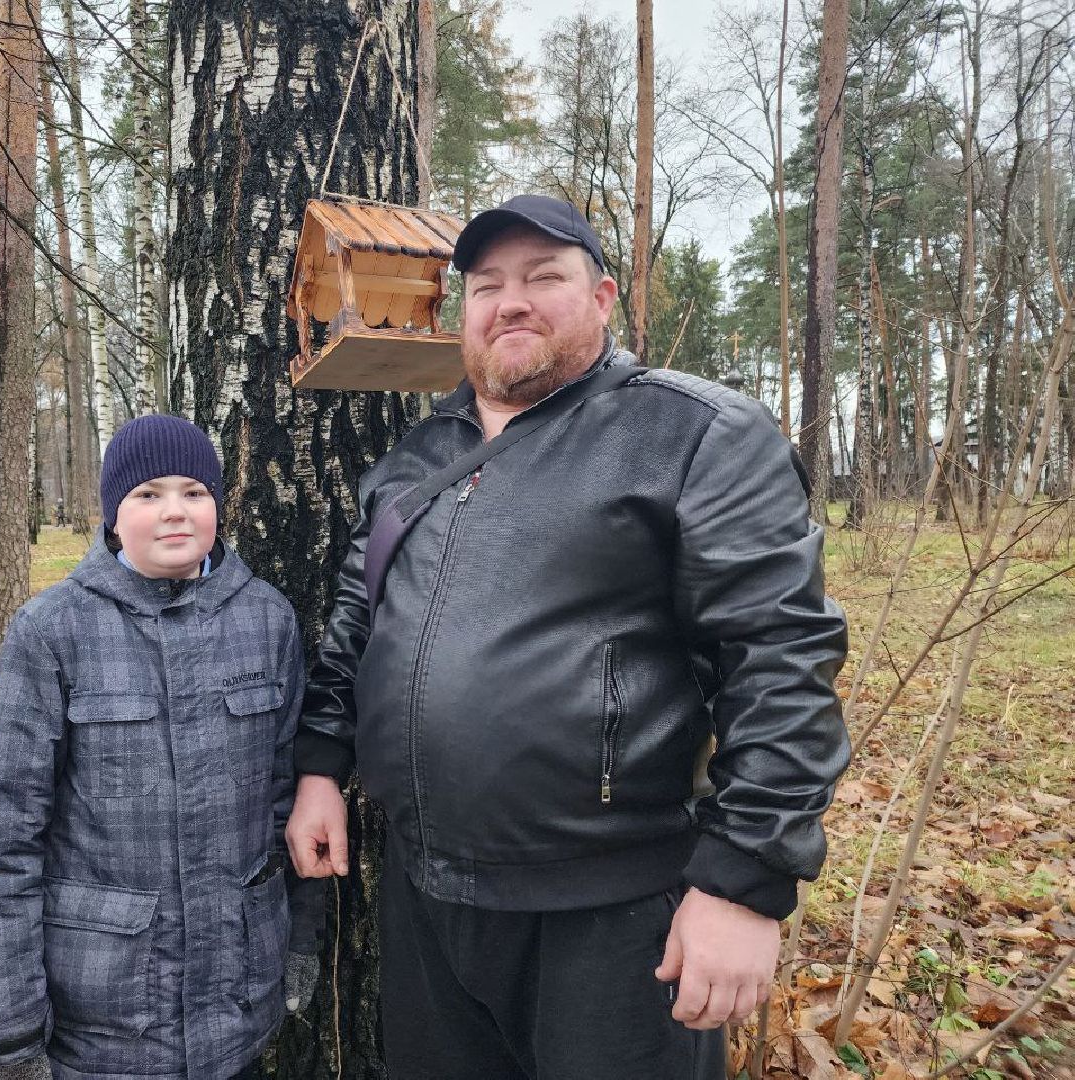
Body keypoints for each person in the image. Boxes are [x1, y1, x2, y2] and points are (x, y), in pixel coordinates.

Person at [286, 195, 850, 1079]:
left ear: (602, 297)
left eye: (545, 277)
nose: (511, 301)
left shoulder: (692, 434)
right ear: (462, 311)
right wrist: (322, 762)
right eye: (487, 285)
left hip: (614, 913)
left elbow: (780, 660)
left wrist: (744, 881)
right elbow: (359, 625)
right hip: (425, 898)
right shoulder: (415, 462)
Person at [0, 415, 320, 1080]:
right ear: (113, 513)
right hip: (105, 1028)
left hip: (238, 1008)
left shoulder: (267, 619)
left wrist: (302, 938)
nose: (175, 512)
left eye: (194, 491)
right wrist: (12, 1039)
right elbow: (1, 848)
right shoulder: (52, 632)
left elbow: (290, 807)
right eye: (148, 494)